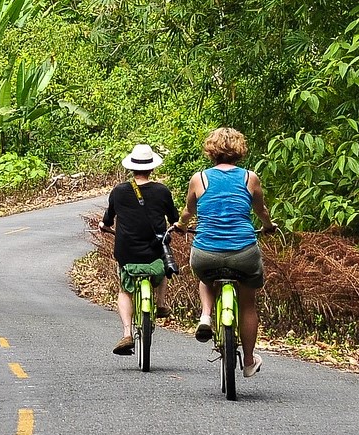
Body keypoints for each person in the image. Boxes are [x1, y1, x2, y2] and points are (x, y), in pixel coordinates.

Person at [172, 127, 277, 378]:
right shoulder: (250, 178)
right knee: (248, 304)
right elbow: (261, 210)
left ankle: (206, 316)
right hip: (244, 252)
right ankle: (249, 360)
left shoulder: (199, 179)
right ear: (240, 150)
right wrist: (268, 226)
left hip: (206, 252)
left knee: (205, 277)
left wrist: (180, 225)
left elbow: (188, 211)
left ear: (210, 150)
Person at [100, 145, 180, 356]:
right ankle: (161, 303)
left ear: (131, 168)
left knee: (125, 290)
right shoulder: (162, 191)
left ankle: (126, 332)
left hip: (128, 252)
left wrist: (104, 226)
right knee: (163, 263)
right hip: (155, 250)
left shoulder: (118, 191)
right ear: (152, 168)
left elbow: (107, 220)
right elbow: (174, 219)